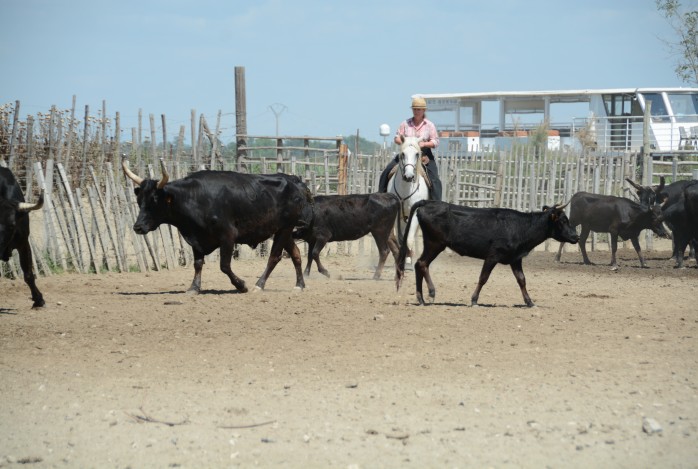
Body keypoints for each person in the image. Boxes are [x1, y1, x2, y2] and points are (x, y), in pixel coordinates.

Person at [378, 96, 442, 201]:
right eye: (414, 109)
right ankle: (381, 199)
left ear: (424, 110)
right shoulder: (405, 124)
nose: (416, 111)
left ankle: (436, 205)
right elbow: (396, 138)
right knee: (386, 172)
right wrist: (407, 142)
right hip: (406, 154)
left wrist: (424, 144)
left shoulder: (430, 125)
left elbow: (435, 141)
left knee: (435, 180)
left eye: (419, 109)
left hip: (424, 156)